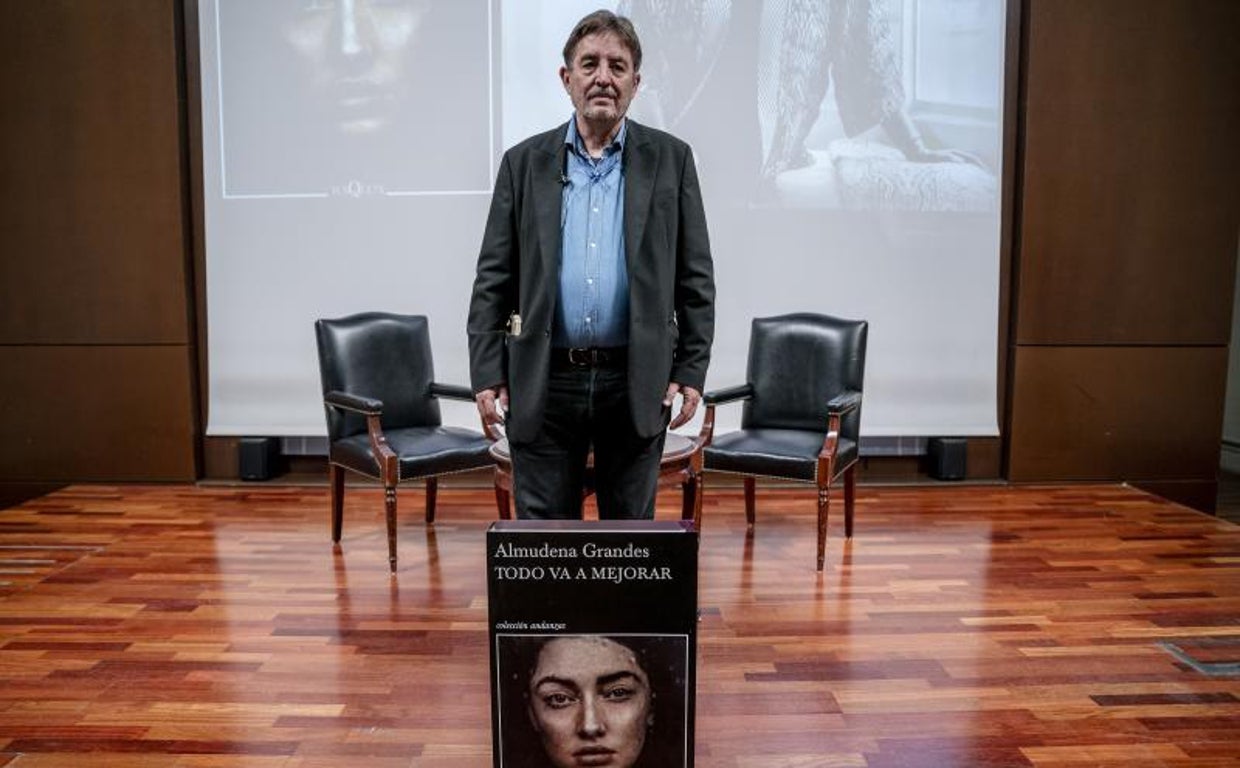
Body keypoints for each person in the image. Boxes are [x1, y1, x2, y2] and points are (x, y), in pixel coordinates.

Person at [468, 10, 715, 520]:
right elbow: (493, 278)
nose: (603, 77)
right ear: (567, 78)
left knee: (630, 537)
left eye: (617, 66)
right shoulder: (523, 163)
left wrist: (690, 370)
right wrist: (488, 372)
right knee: (544, 537)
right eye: (590, 64)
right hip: (544, 380)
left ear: (635, 82)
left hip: (635, 380)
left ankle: (621, 605)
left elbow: (695, 280)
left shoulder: (672, 161)